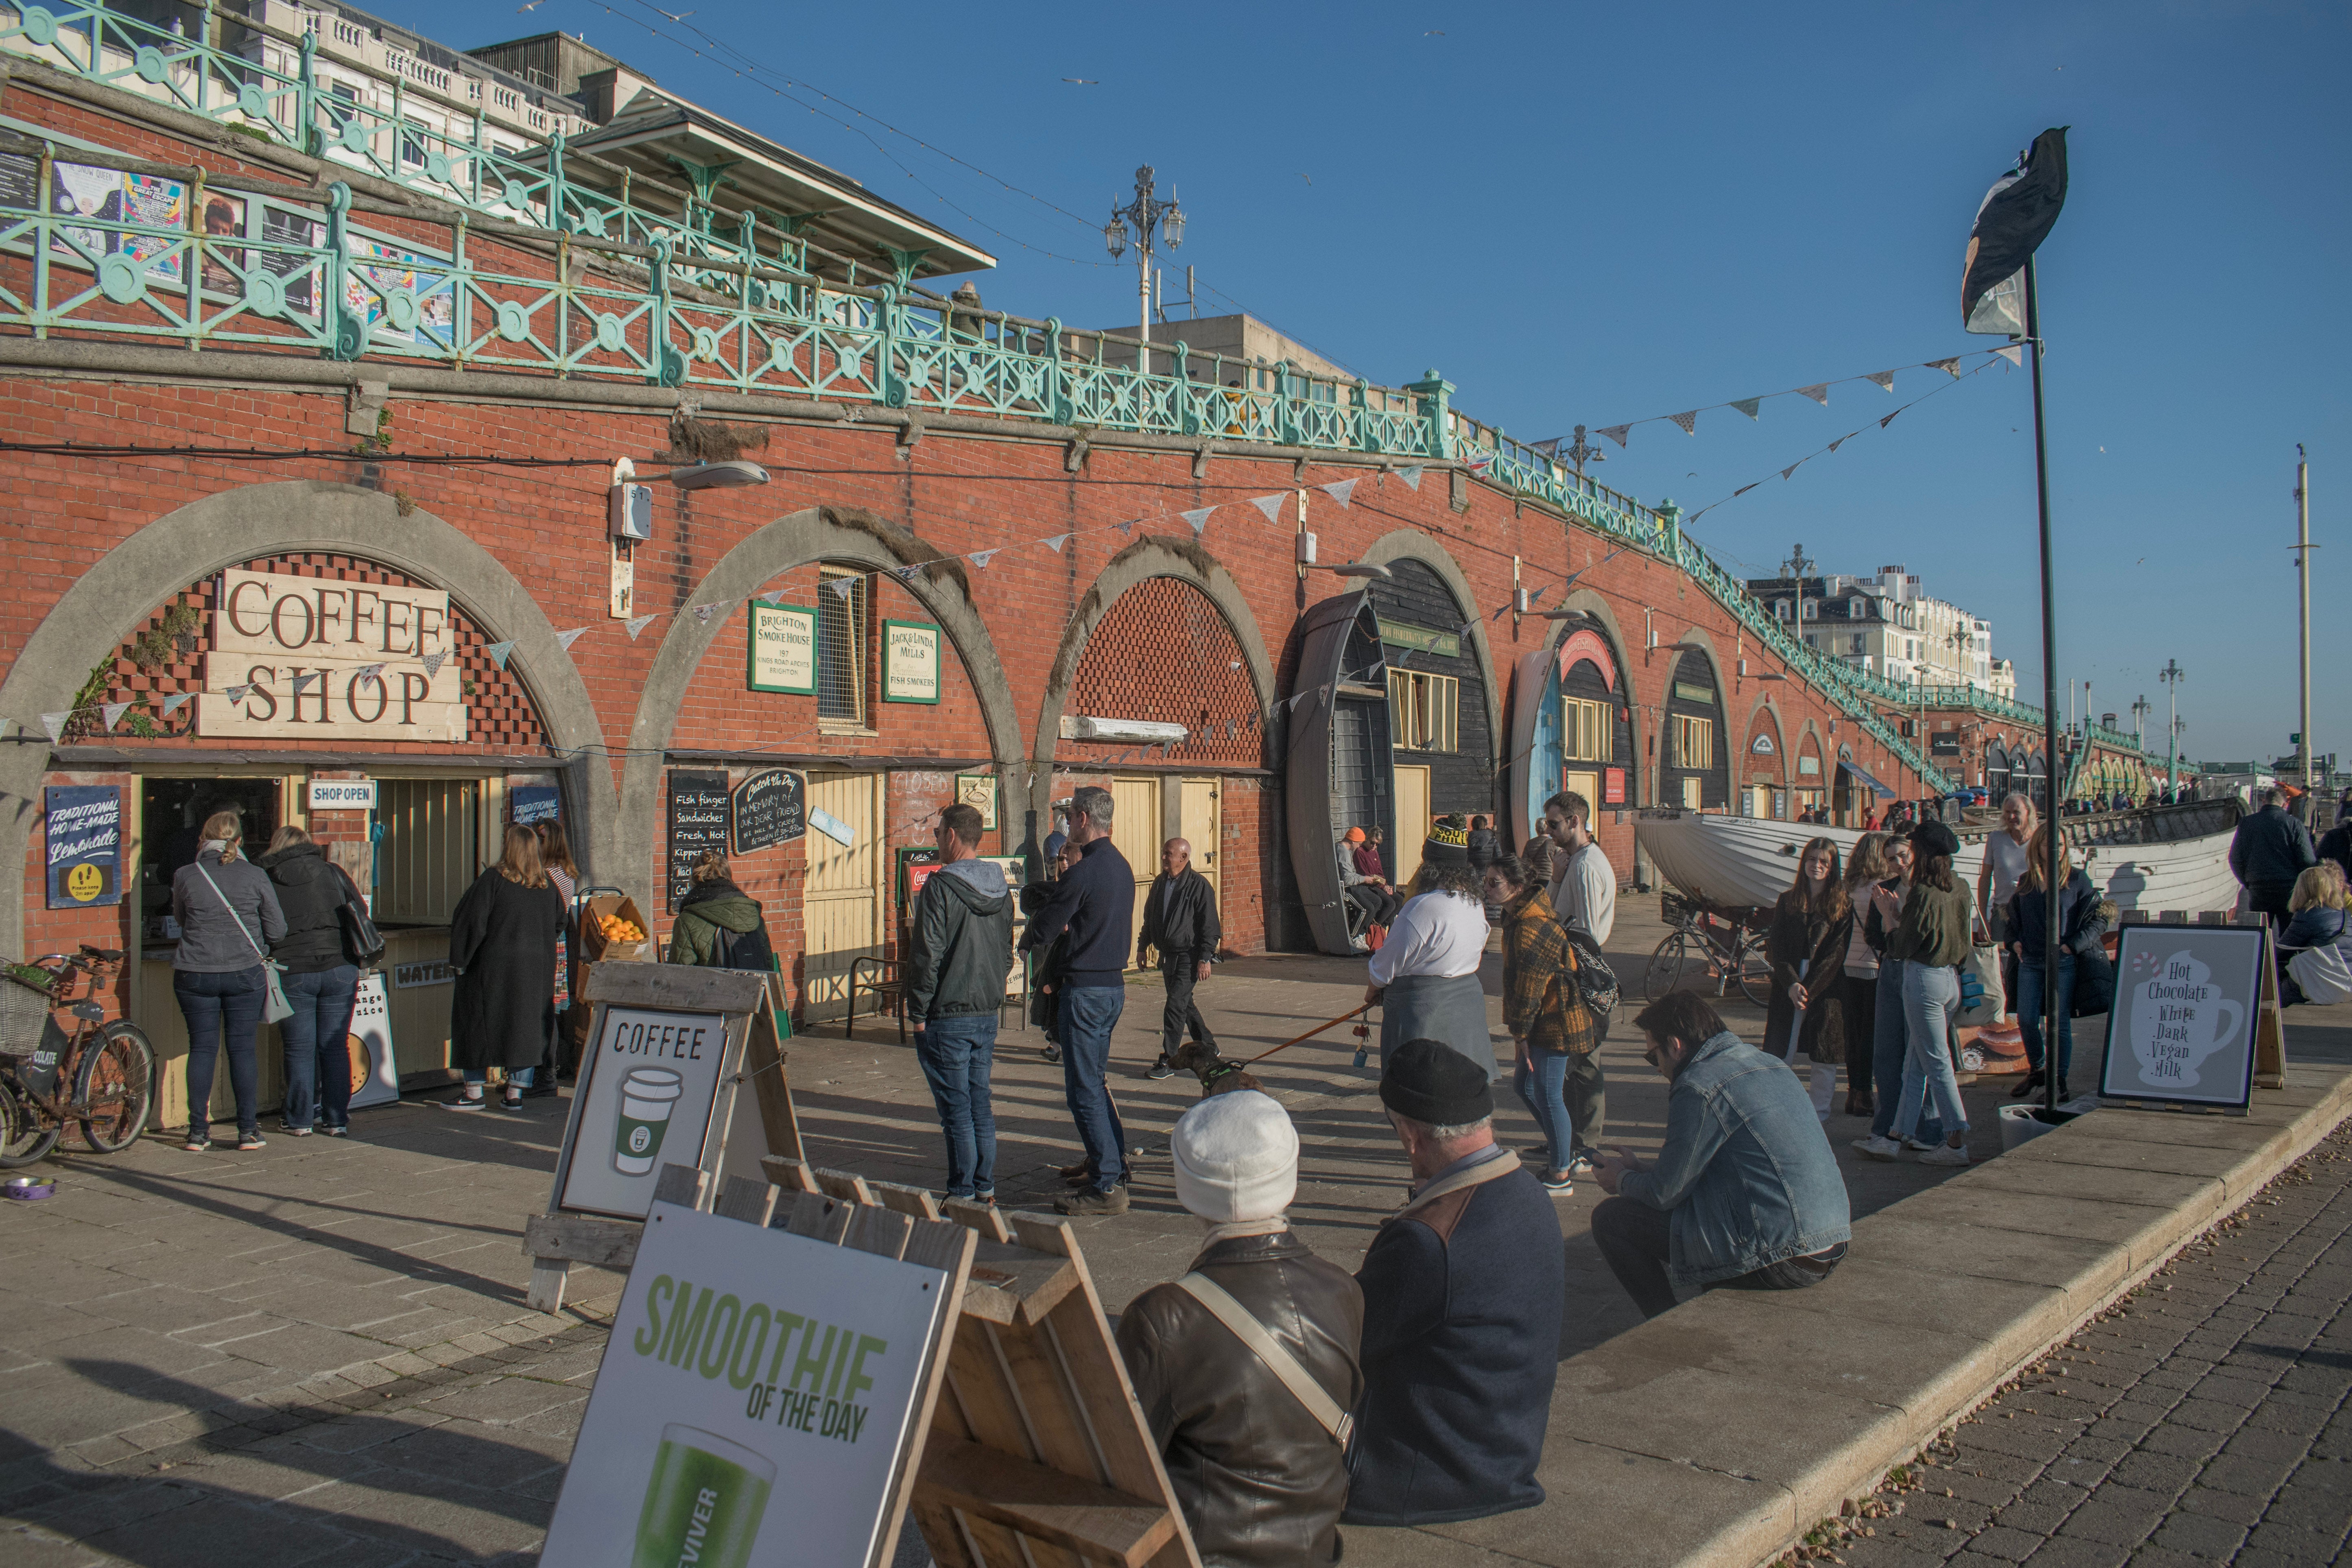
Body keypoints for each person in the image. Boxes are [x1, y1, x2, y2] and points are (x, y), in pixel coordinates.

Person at [1116, 1092, 1363, 1566]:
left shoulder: (1163, 1318)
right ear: (1289, 1173)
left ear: (1186, 1186)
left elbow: (1120, 1466)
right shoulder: (1344, 1290)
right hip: (1317, 1553)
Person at [1345, 1040, 1563, 1527]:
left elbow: (1345, 1340)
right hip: (1505, 1453)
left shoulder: (1430, 1238)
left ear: (1411, 1135)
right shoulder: (1528, 1191)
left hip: (1419, 1475)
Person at [1591, 991, 1851, 1319]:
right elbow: (1697, 1172)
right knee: (1697, 1212)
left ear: (1674, 1045)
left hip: (1785, 1258)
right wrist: (1640, 1169)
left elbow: (1664, 1194)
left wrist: (1622, 1180)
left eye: (1652, 1056)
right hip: (1830, 1243)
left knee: (1611, 1219)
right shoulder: (1768, 1063)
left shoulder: (1697, 1085)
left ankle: (1663, 1324)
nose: (1657, 1069)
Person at [1021, 785, 1136, 1216]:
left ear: (1084, 818)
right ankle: (1108, 1162)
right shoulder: (1122, 866)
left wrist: (1027, 940)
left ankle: (1107, 1185)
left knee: (1083, 1089)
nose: (1067, 823)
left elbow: (1048, 924)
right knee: (1097, 1081)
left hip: (1086, 990)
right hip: (1112, 989)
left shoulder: (1083, 871)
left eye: (1070, 816)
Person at [904, 803, 1013, 1204]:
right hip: (986, 1011)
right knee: (979, 1101)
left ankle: (962, 1191)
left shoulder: (940, 886)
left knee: (956, 1110)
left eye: (937, 832)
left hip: (947, 1012)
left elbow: (927, 954)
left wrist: (917, 1009)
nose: (935, 839)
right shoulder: (1001, 888)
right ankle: (985, 1186)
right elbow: (1007, 952)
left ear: (952, 836)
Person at [171, 809, 286, 1151]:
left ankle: (197, 1133)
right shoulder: (255, 875)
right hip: (244, 972)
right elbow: (278, 929)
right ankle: (248, 1131)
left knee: (202, 1049)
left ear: (202, 839)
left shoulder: (186, 875)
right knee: (242, 1050)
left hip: (195, 972)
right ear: (239, 840)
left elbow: (180, 918)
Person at [1861, 820, 1975, 1166]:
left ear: (1923, 853)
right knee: (1914, 1064)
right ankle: (1894, 1137)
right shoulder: (1960, 886)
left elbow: (1900, 946)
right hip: (1950, 980)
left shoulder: (1923, 894)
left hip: (1923, 979)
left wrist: (1889, 915)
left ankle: (1955, 1143)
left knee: (1936, 1065)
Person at [1485, 854, 1597, 1193]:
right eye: (1486, 881)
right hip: (1545, 1019)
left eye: (1495, 883)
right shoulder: (1518, 916)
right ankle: (1566, 1151)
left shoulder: (1530, 925)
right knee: (1527, 1088)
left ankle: (1561, 1172)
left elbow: (1529, 986)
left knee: (1547, 1094)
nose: (1487, 888)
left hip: (1556, 1021)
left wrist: (1519, 1034)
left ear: (1517, 887)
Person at [446, 825, 564, 1111]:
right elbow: (560, 924)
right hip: (535, 970)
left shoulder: (493, 880)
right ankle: (516, 1093)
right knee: (524, 1029)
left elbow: (470, 921)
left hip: (492, 969)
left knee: (476, 1025)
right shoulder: (547, 885)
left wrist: (460, 960)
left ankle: (473, 1092)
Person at [257, 826, 364, 1138]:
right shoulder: (332, 872)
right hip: (339, 967)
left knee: (299, 1049)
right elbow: (360, 910)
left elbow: (265, 925)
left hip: (294, 970)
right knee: (334, 1047)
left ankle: (300, 1120)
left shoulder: (268, 878)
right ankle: (336, 1120)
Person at [1365, 819, 1492, 1078]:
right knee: (1461, 1082)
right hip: (1467, 1001)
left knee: (1418, 1087)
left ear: (1429, 867)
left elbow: (1387, 963)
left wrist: (1373, 991)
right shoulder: (1475, 903)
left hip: (1424, 1009)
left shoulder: (1423, 906)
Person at [1540, 789, 1616, 1160]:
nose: (1549, 832)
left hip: (1580, 976)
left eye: (1554, 824)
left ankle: (1584, 1147)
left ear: (1575, 821)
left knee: (1584, 1065)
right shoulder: (1574, 862)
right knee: (1571, 1063)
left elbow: (1586, 932)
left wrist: (1574, 976)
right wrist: (1555, 878)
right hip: (1570, 973)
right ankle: (1567, 1139)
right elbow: (1553, 911)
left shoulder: (1586, 865)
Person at [2004, 824, 2101, 1102]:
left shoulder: (2076, 879)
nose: (2055, 851)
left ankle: (2058, 1081)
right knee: (2026, 1019)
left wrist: (2073, 945)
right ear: (2038, 848)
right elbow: (2010, 920)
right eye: (2049, 845)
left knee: (2058, 1024)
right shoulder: (2026, 882)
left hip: (2062, 961)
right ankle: (2038, 1069)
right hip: (2030, 961)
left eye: (2060, 845)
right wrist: (2014, 943)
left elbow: (2099, 917)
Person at [1763, 836, 1850, 1121]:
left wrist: (1808, 990)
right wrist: (1790, 984)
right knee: (1780, 1051)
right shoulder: (1788, 900)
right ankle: (1778, 1109)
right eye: (1812, 860)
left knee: (1823, 1055)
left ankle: (1819, 1112)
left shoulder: (1842, 904)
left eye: (1824, 862)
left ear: (1832, 867)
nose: (1817, 866)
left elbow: (1835, 954)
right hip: (1788, 982)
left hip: (1824, 986)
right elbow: (1776, 946)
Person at [1138, 837, 1221, 1082]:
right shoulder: (1160, 883)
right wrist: (1143, 947)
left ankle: (1169, 1058)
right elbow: (1150, 918)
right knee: (1185, 1005)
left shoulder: (1199, 886)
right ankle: (1208, 1044)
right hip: (1168, 956)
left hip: (1190, 956)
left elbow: (1210, 926)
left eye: (1168, 854)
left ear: (1183, 858)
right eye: (1164, 853)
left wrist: (1205, 958)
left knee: (1175, 1005)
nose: (1164, 858)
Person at [1836, 834, 1892, 1117]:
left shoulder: (1846, 887)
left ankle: (1853, 1093)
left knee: (1852, 1033)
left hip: (1845, 968)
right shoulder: (1881, 889)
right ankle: (1865, 1093)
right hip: (1872, 967)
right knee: (1870, 1035)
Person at [1023, 839, 1085, 1066]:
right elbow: (1039, 918)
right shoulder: (1053, 888)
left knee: (1056, 993)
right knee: (1049, 994)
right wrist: (1025, 943)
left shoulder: (1080, 883)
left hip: (1071, 953)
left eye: (1069, 857)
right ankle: (1056, 1041)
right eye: (1061, 859)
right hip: (1053, 951)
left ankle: (1056, 1044)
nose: (1065, 862)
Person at [533, 818, 581, 1094]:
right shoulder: (564, 871)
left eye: (539, 839)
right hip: (556, 943)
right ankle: (545, 1073)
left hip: (551, 943)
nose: (535, 844)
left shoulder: (551, 875)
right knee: (547, 1010)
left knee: (545, 1011)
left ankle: (546, 1074)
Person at [666, 850, 776, 972]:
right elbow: (768, 964)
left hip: (712, 989)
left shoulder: (687, 921)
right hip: (754, 988)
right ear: (728, 875)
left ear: (695, 878)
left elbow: (679, 973)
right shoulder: (753, 914)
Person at [2230, 785, 2316, 935]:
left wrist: (2248, 881)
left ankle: (2261, 958)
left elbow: (2236, 858)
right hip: (2289, 889)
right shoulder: (2294, 824)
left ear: (2264, 802)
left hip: (2259, 887)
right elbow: (2307, 860)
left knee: (2259, 936)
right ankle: (2284, 958)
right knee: (2288, 936)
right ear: (2285, 804)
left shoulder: (2247, 823)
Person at [2280, 866, 2352, 1005]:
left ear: (2301, 890)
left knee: (2272, 993)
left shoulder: (2308, 915)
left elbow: (2282, 951)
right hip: (2347, 983)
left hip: (2324, 984)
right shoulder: (2344, 914)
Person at [1336, 828, 1400, 932]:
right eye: (1372, 843)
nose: (1374, 846)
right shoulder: (1356, 852)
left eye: (1377, 844)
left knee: (1398, 901)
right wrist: (1376, 883)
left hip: (1370, 884)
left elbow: (1379, 872)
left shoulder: (1374, 853)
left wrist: (1386, 885)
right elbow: (1358, 874)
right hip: (1361, 886)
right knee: (1380, 905)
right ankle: (1369, 931)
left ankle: (1380, 930)